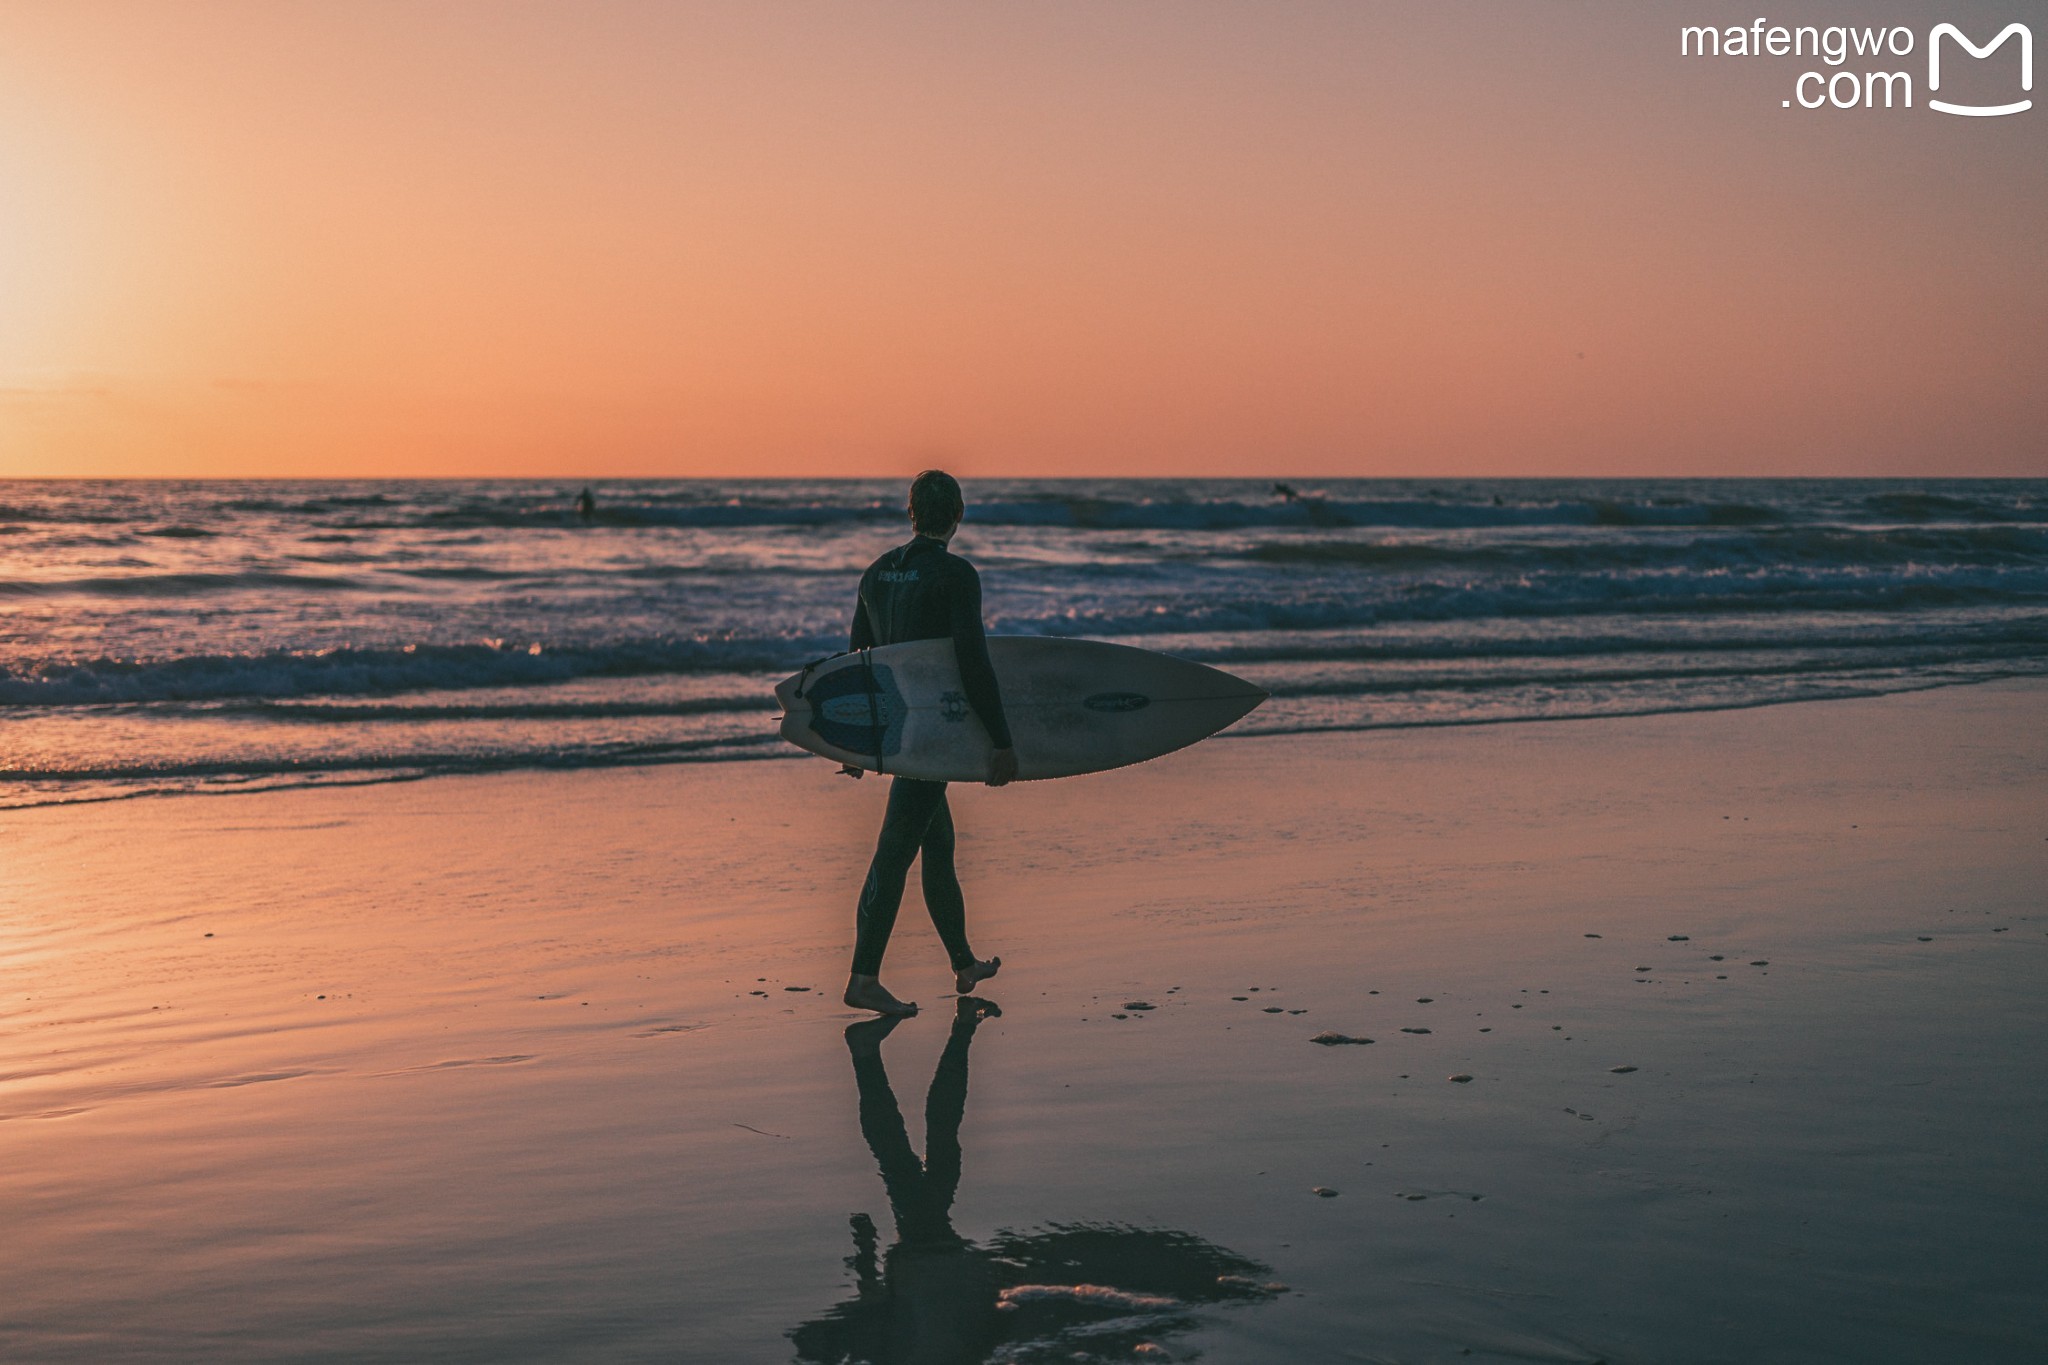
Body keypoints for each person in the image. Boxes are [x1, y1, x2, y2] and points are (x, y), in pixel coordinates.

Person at [840, 470, 1015, 1017]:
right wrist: (1001, 741)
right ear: (958, 513)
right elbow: (973, 663)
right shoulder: (956, 574)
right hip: (933, 733)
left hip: (897, 731)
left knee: (936, 843)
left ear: (911, 512)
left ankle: (963, 963)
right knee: (893, 854)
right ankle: (863, 978)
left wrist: (857, 744)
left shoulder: (874, 574)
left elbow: (857, 665)